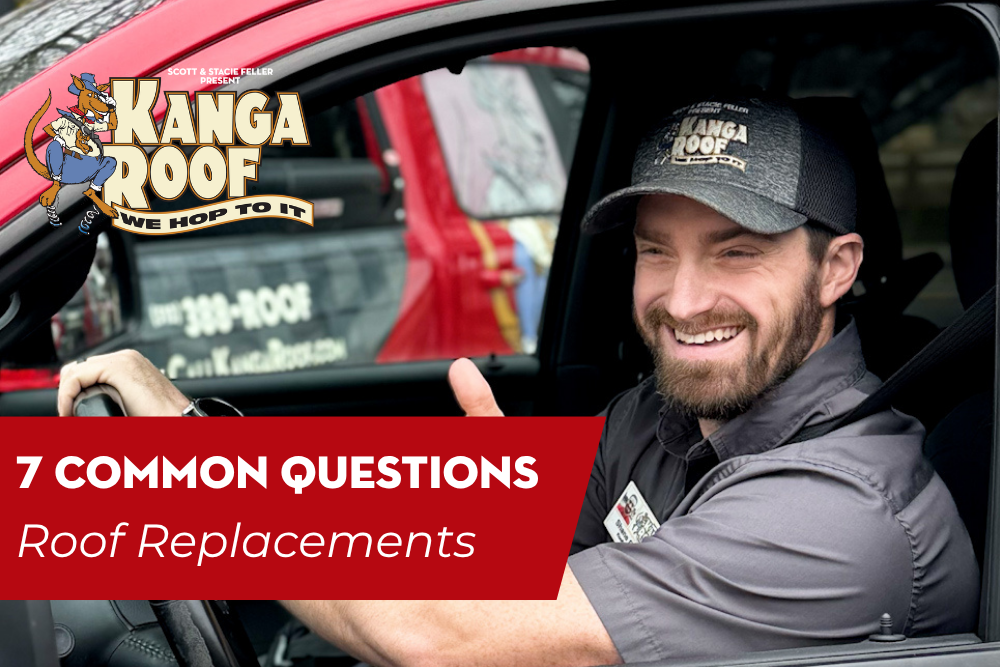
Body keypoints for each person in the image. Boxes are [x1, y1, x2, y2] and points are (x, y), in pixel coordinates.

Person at [57, 93, 980, 666]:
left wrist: (187, 464)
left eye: (736, 254)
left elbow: (439, 635)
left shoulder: (841, 519)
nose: (683, 299)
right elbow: (474, 555)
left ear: (836, 269)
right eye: (656, 252)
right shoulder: (661, 416)